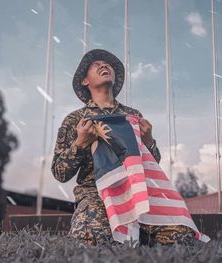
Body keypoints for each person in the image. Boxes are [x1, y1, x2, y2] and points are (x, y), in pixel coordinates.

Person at [51, 49, 195, 246]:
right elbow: (60, 173)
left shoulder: (133, 115)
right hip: (97, 194)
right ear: (85, 81)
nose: (104, 65)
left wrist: (149, 141)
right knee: (93, 236)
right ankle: (128, 232)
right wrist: (80, 143)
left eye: (107, 64)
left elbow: (151, 162)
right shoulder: (75, 120)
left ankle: (138, 231)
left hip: (137, 190)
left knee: (181, 236)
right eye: (96, 64)